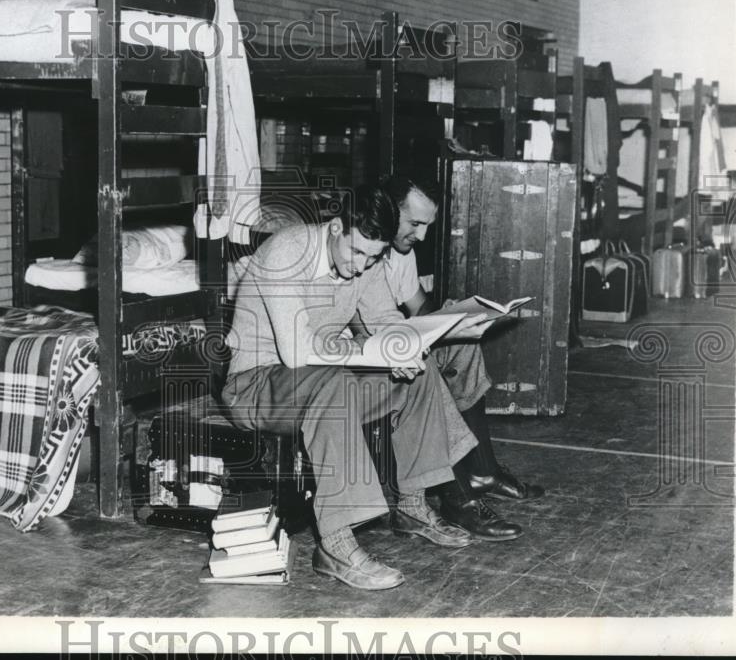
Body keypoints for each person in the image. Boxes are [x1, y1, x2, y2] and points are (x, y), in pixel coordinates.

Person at [221, 185, 481, 591]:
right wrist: (366, 348)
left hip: (318, 382)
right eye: (355, 252)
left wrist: (407, 346)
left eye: (373, 257)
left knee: (419, 369)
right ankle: (336, 545)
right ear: (335, 228)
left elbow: (383, 320)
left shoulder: (369, 258)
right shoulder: (287, 252)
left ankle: (412, 505)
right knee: (336, 383)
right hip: (255, 385)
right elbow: (295, 352)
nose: (361, 266)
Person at [354, 175, 545, 542]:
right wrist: (434, 332)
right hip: (366, 351)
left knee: (463, 347)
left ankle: (483, 470)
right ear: (388, 212)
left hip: (395, 338)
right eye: (415, 224)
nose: (421, 236)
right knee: (426, 369)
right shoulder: (366, 253)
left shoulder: (401, 251)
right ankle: (456, 496)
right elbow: (375, 330)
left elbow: (416, 307)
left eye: (427, 225)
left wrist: (457, 317)